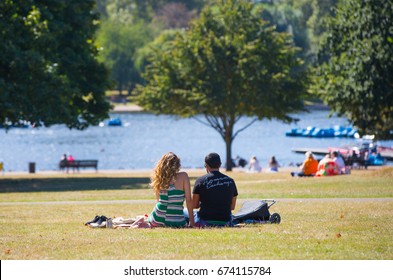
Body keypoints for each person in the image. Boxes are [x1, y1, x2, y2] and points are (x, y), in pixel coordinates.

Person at [148, 152, 195, 228]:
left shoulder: (159, 178)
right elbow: (189, 200)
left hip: (158, 219)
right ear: (177, 165)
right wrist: (192, 222)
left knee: (150, 217)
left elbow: (158, 201)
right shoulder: (183, 176)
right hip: (178, 220)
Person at [192, 153, 238, 227]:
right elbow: (232, 207)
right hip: (225, 221)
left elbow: (194, 205)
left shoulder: (200, 180)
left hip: (205, 220)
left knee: (187, 212)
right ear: (220, 165)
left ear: (206, 165)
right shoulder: (230, 181)